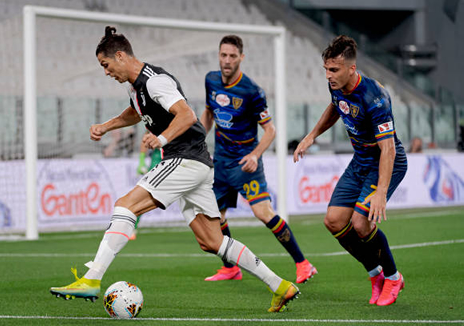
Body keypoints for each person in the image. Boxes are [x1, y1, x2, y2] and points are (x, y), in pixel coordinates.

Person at [50, 26, 299, 313]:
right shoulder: (136, 86)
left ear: (120, 56)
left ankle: (91, 279)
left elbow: (187, 114)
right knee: (211, 241)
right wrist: (107, 126)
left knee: (125, 206)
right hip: (198, 164)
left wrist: (162, 138)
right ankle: (280, 285)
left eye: (105, 65)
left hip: (184, 158)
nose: (105, 72)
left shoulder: (155, 81)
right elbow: (135, 111)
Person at [293, 35, 407, 306]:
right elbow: (335, 108)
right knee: (333, 221)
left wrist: (380, 191)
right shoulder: (337, 86)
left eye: (334, 70)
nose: (328, 75)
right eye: (326, 70)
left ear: (352, 69)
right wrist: (311, 136)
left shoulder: (375, 96)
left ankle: (393, 276)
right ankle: (375, 274)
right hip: (360, 160)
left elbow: (388, 149)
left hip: (384, 160)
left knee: (360, 222)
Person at [200, 35, 317, 283]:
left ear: (241, 58)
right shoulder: (210, 80)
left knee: (263, 213)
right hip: (220, 162)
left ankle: (303, 263)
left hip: (245, 164)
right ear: (218, 55)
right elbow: (210, 112)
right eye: (224, 55)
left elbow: (270, 130)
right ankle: (231, 268)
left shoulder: (252, 91)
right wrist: (200, 136)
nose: (227, 60)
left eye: (233, 56)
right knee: (215, 217)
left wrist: (255, 155)